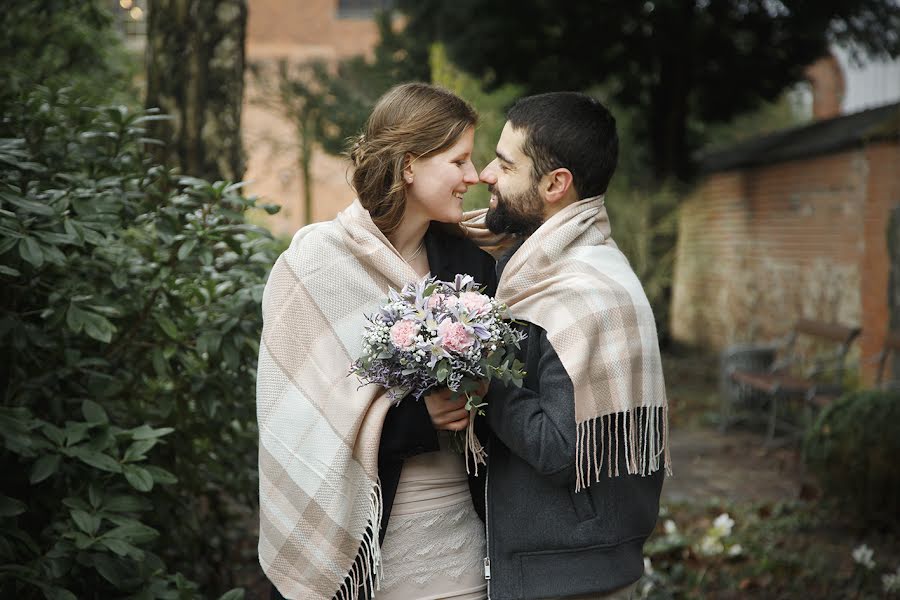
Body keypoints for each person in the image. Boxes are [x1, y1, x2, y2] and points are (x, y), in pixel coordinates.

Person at [256, 83, 496, 600]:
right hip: (368, 545)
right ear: (410, 165)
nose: (473, 177)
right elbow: (295, 416)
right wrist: (418, 415)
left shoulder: (473, 264)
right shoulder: (314, 265)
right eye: (458, 161)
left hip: (462, 540)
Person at [476, 92, 671, 600]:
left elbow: (563, 448)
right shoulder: (541, 269)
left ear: (555, 184)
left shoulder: (585, 292)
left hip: (571, 579)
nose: (484, 175)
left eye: (504, 164)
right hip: (563, 566)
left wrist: (479, 370)